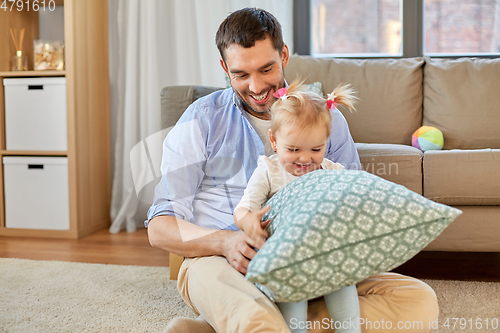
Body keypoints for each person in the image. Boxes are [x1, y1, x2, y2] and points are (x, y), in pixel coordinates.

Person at [146, 7, 439, 333]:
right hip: (221, 262)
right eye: (240, 74)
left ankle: (221, 327)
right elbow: (160, 228)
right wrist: (226, 243)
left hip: (312, 264)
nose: (256, 87)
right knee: (254, 316)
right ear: (224, 68)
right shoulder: (198, 121)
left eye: (266, 69)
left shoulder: (327, 120)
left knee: (419, 302)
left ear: (283, 55)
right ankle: (258, 320)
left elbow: (349, 198)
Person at [234, 81, 361, 333]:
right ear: (274, 140)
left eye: (316, 149)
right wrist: (248, 221)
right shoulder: (269, 171)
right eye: (293, 149)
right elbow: (243, 208)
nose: (305, 158)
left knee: (344, 283)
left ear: (326, 141)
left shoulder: (333, 172)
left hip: (326, 256)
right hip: (286, 260)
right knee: (291, 305)